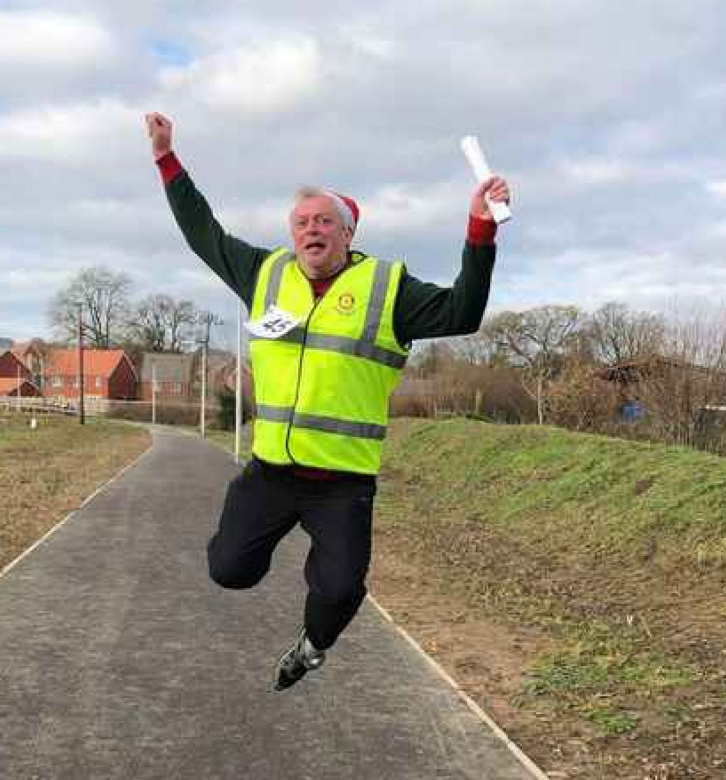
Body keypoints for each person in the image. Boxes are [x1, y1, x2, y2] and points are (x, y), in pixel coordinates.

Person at [145, 111, 510, 691]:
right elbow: (201, 232)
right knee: (229, 571)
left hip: (342, 484)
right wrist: (167, 157)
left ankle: (312, 648)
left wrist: (479, 231)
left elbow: (464, 313)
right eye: (300, 223)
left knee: (339, 589)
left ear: (347, 234)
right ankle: (258, 548)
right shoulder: (264, 273)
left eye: (323, 222)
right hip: (270, 473)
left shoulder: (390, 290)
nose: (310, 231)